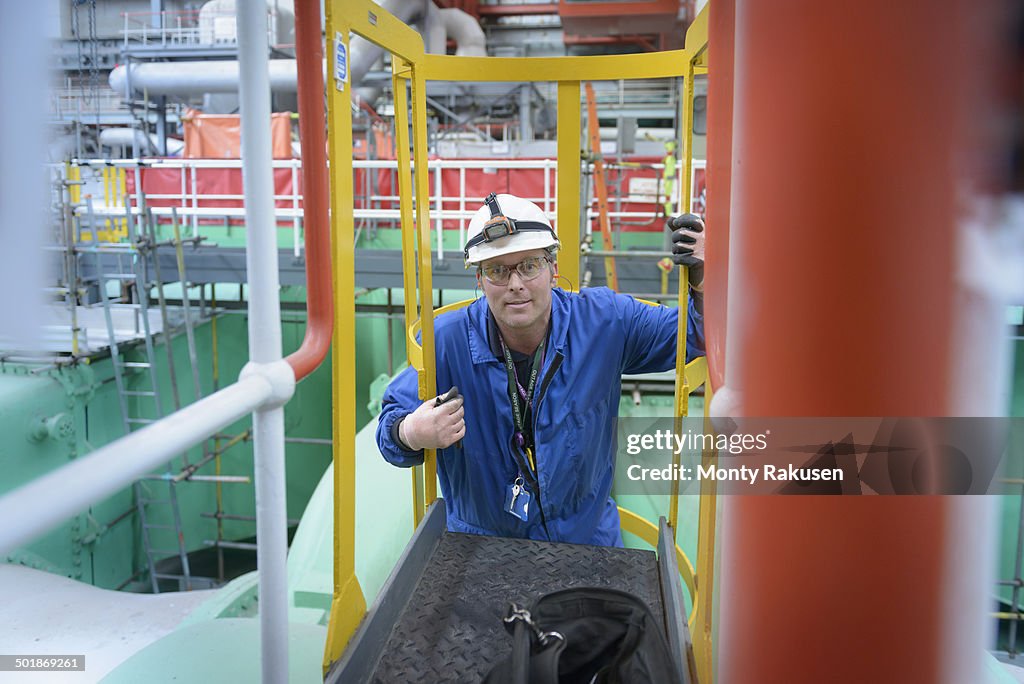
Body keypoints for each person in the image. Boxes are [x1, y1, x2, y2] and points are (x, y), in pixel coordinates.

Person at [376, 193, 706, 546]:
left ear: (553, 270)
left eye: (530, 266)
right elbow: (390, 425)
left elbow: (696, 334)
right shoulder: (447, 341)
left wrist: (705, 279)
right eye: (497, 270)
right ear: (480, 281)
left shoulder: (604, 322)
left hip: (587, 542)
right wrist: (411, 432)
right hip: (483, 550)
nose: (515, 284)